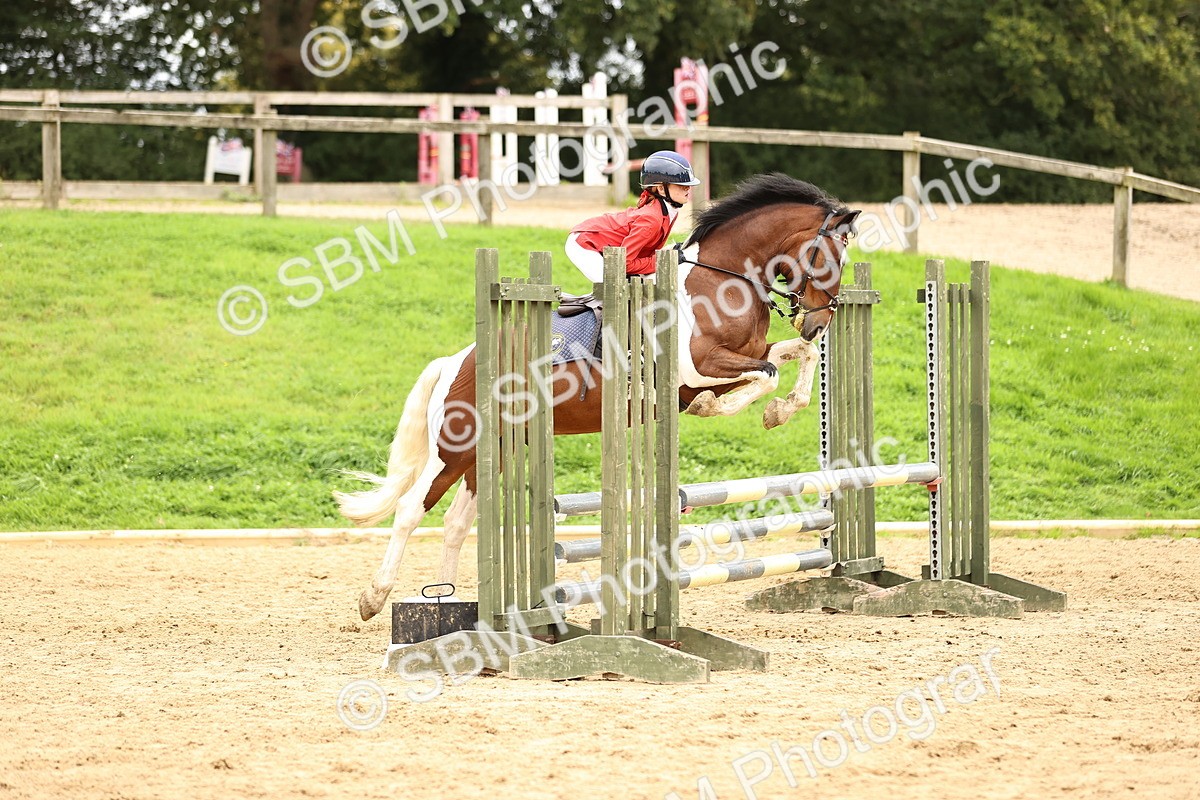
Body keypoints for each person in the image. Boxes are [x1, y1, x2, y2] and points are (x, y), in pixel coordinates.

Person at [565, 150, 701, 284]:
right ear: (660, 189)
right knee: (614, 286)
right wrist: (664, 261)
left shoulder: (669, 211)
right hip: (585, 243)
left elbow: (646, 251)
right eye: (681, 185)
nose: (688, 188)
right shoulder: (651, 219)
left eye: (688, 185)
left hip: (609, 247)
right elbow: (624, 264)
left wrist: (669, 252)